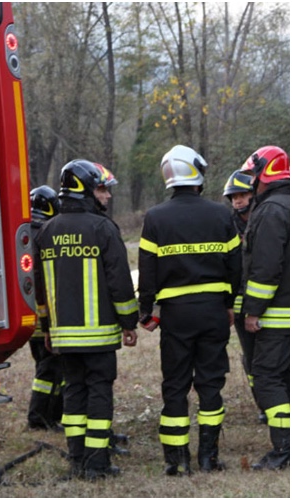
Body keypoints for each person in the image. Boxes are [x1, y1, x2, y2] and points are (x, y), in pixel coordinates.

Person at [137, 145, 241, 475]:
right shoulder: (222, 214)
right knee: (211, 384)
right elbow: (235, 266)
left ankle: (176, 462)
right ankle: (209, 457)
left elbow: (147, 269)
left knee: (176, 385)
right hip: (213, 312)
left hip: (176, 315)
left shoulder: (155, 217)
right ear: (196, 174)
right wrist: (229, 304)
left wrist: (145, 312)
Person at [33, 160, 138, 480]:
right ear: (84, 190)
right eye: (102, 189)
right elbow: (120, 282)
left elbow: (40, 288)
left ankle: (77, 459)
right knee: (99, 396)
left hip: (63, 337)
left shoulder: (46, 231)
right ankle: (97, 464)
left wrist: (47, 329)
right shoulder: (104, 229)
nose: (106, 196)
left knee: (74, 394)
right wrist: (129, 321)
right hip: (99, 336)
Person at [238, 145, 290, 471]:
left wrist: (253, 310)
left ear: (265, 175)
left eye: (253, 176)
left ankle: (284, 449)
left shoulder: (271, 211)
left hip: (278, 315)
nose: (251, 184)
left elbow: (266, 269)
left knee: (268, 377)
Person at [223, 168, 267, 425]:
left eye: (242, 195)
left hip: (270, 302)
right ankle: (262, 402)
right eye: (233, 197)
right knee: (251, 357)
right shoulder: (228, 226)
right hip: (240, 304)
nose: (238, 201)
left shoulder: (267, 219)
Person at [26, 185, 63, 431]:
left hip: (32, 317)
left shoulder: (26, 232)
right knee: (49, 370)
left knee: (48, 368)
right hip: (45, 317)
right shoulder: (45, 234)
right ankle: (39, 417)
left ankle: (48, 415)